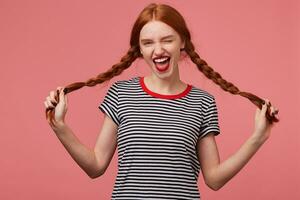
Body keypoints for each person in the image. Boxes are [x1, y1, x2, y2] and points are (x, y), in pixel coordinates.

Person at [44, 3, 279, 199]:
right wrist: (60, 127)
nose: (158, 50)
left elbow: (214, 180)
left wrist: (257, 138)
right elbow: (95, 166)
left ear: (182, 42)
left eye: (167, 40)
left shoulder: (202, 102)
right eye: (148, 43)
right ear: (140, 49)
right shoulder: (121, 94)